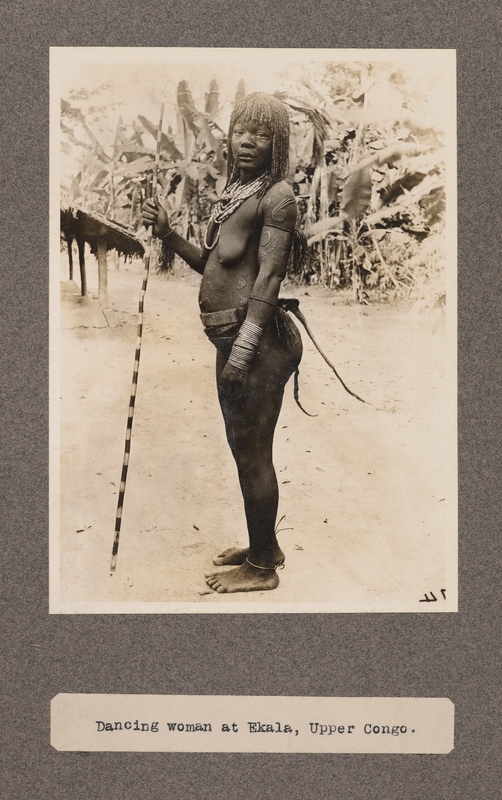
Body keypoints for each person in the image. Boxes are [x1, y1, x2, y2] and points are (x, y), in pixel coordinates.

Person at [142, 92, 304, 593]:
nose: (248, 141)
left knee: (253, 451)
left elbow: (270, 276)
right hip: (232, 338)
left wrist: (244, 346)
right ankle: (264, 546)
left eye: (260, 133)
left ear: (276, 141)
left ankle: (261, 570)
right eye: (241, 131)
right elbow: (214, 265)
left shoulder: (277, 197)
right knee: (243, 448)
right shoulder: (237, 191)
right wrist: (168, 234)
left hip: (255, 343)